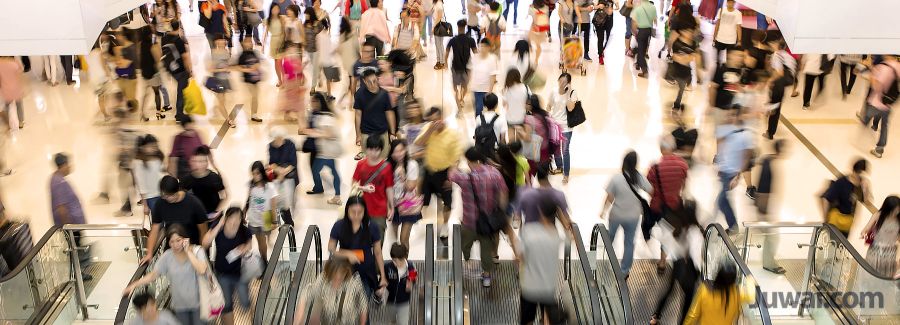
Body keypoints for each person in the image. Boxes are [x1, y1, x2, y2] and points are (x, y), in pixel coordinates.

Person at [450, 148, 510, 287]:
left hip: (469, 222)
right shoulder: (494, 173)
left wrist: (455, 163)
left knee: (464, 244)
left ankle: (466, 263)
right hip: (488, 222)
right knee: (486, 249)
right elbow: (503, 193)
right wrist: (500, 211)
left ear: (472, 161)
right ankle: (487, 277)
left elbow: (451, 175)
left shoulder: (465, 177)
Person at [124, 225, 209, 325]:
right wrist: (134, 284)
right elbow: (153, 275)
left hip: (199, 304)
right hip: (179, 305)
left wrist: (188, 252)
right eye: (172, 242)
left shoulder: (197, 251)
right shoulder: (167, 256)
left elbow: (202, 269)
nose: (175, 245)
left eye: (178, 240)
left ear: (185, 239)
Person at [648, 199, 702, 325]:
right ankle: (682, 323)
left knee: (669, 290)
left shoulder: (676, 224)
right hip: (690, 270)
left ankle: (655, 317)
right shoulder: (695, 231)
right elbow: (696, 256)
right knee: (687, 300)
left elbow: (657, 232)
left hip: (678, 265)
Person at [600, 151, 652, 278]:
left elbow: (610, 197)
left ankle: (604, 262)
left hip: (616, 215)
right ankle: (624, 271)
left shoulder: (617, 178)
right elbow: (651, 190)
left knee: (609, 238)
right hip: (633, 216)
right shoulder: (639, 178)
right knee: (629, 243)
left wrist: (603, 211)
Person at [415, 107, 463, 240]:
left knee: (447, 201)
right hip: (429, 170)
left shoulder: (452, 134)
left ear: (442, 117)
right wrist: (430, 130)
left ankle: (445, 225)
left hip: (444, 173)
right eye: (432, 120)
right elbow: (418, 143)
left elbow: (456, 158)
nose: (435, 122)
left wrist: (451, 177)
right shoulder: (428, 129)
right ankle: (416, 219)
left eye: (437, 119)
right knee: (421, 198)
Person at [201, 207, 254, 324]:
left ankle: (254, 321)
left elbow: (249, 245)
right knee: (226, 304)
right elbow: (205, 243)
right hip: (222, 273)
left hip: (240, 273)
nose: (234, 222)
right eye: (231, 218)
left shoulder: (244, 231)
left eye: (238, 219)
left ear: (242, 219)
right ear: (226, 218)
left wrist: (243, 249)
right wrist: (219, 225)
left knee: (245, 302)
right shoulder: (218, 228)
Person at [518, 196, 566, 324]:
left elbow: (520, 257)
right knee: (548, 315)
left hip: (529, 286)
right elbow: (570, 236)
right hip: (547, 286)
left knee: (527, 319)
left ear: (540, 211)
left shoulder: (528, 232)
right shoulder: (556, 237)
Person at [141, 176, 210, 264]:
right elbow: (155, 229)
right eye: (164, 196)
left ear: (177, 191)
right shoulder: (160, 203)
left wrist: (201, 253)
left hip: (191, 249)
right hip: (173, 249)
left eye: (169, 196)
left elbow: (203, 230)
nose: (166, 198)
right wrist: (149, 253)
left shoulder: (194, 203)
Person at [328, 197, 388, 296]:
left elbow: (377, 252)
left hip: (366, 269)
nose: (356, 216)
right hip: (345, 267)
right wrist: (348, 254)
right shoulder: (339, 226)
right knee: (346, 296)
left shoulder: (372, 226)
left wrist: (383, 276)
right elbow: (331, 248)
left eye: (360, 212)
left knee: (365, 296)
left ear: (365, 211)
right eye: (353, 212)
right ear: (347, 210)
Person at [294, 257, 369, 324]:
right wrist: (298, 319)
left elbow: (363, 306)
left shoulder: (354, 283)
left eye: (340, 277)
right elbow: (307, 293)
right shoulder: (324, 279)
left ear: (346, 272)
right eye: (334, 277)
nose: (337, 281)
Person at [715, 110, 753, 233]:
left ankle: (733, 226)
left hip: (732, 174)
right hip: (725, 171)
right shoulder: (726, 131)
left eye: (732, 115)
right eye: (728, 115)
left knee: (721, 201)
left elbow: (747, 156)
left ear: (738, 117)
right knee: (721, 200)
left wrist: (738, 176)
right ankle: (731, 224)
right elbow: (723, 150)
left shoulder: (745, 135)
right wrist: (720, 167)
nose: (729, 117)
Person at [352, 136, 395, 243]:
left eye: (377, 150)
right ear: (366, 149)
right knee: (361, 238)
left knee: (378, 238)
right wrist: (363, 188)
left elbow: (389, 188)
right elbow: (353, 185)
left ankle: (376, 259)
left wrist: (391, 206)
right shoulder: (361, 165)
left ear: (381, 150)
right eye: (371, 149)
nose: (374, 153)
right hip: (361, 208)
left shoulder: (386, 167)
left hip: (380, 208)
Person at [755, 140, 788, 274]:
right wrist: (764, 210)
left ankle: (768, 261)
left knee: (768, 235)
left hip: (763, 205)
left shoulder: (767, 159)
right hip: (764, 206)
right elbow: (764, 187)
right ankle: (769, 263)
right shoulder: (773, 163)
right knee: (773, 236)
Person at [683, 264, 756, 324]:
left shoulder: (705, 289)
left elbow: (693, 315)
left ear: (718, 275)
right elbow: (751, 297)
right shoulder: (737, 293)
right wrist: (750, 280)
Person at [304, 93, 343, 205]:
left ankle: (334, 194)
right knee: (333, 172)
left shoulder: (325, 116)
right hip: (325, 151)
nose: (312, 104)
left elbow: (329, 134)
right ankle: (336, 195)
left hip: (326, 152)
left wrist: (313, 133)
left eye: (314, 101)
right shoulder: (322, 114)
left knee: (316, 170)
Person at [858, 54, 900, 158]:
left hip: (877, 102)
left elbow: (876, 86)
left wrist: (872, 74)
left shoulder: (884, 67)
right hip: (889, 103)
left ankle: (862, 139)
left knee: (866, 118)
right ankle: (880, 149)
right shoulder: (898, 66)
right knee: (885, 125)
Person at [821, 159, 872, 237]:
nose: (859, 177)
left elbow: (867, 202)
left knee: (842, 242)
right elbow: (826, 199)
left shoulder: (862, 185)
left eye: (862, 174)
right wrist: (825, 220)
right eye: (858, 173)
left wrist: (866, 190)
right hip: (836, 219)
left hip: (848, 221)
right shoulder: (842, 182)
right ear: (854, 170)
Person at [354, 69, 395, 160]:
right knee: (369, 160)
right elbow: (357, 115)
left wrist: (392, 133)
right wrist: (358, 135)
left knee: (384, 158)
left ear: (377, 79)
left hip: (382, 131)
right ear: (364, 81)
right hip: (366, 133)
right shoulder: (360, 94)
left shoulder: (384, 94)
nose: (372, 84)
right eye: (369, 82)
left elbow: (389, 113)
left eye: (374, 81)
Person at [388, 140, 422, 249]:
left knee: (404, 239)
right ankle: (397, 260)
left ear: (405, 150)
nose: (399, 154)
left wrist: (403, 176)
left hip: (408, 203)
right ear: (391, 153)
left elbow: (411, 187)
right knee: (394, 239)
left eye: (401, 150)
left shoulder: (412, 165)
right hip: (394, 204)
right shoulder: (388, 165)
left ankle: (404, 263)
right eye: (395, 151)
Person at [181, 146, 228, 218]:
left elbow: (224, 196)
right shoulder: (186, 179)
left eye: (202, 161)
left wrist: (216, 212)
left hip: (213, 216)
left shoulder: (214, 177)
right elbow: (181, 197)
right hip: (195, 217)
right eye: (195, 161)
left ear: (207, 162)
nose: (198, 164)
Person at [763, 37, 796, 139]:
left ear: (777, 45)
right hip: (788, 81)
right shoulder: (788, 56)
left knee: (775, 106)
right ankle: (770, 109)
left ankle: (770, 132)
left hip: (780, 81)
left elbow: (779, 73)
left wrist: (770, 80)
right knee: (776, 104)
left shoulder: (776, 55)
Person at [547, 73, 578, 182]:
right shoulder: (553, 91)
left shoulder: (573, 93)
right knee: (555, 148)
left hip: (566, 127)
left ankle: (566, 174)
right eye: (560, 81)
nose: (561, 83)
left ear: (569, 83)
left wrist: (568, 92)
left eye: (564, 82)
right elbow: (549, 106)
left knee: (565, 150)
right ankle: (559, 166)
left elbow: (570, 108)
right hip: (554, 126)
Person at [247, 161, 280, 260]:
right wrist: (245, 213)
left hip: (266, 217)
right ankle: (264, 260)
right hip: (254, 218)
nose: (255, 176)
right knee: (260, 241)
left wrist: (274, 221)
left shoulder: (270, 187)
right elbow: (249, 200)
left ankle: (264, 259)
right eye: (253, 174)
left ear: (262, 172)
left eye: (257, 173)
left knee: (264, 238)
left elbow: (273, 207)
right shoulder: (251, 185)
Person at [160, 21, 192, 120]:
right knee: (181, 91)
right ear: (179, 27)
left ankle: (182, 109)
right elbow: (185, 57)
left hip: (170, 69)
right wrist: (190, 70)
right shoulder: (179, 40)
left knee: (181, 89)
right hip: (181, 70)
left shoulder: (164, 38)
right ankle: (179, 114)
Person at [444, 19, 478, 115]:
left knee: (455, 88)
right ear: (465, 27)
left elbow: (446, 52)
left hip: (455, 66)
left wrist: (445, 63)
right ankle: (462, 98)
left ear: (458, 27)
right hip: (467, 68)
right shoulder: (470, 40)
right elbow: (476, 53)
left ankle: (459, 103)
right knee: (465, 86)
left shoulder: (453, 40)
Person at [861, 196, 899, 278]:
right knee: (872, 275)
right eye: (895, 209)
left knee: (886, 276)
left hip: (890, 253)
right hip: (876, 251)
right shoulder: (878, 215)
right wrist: (864, 233)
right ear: (888, 208)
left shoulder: (898, 219)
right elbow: (866, 228)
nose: (897, 212)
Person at [132, 135, 166, 220]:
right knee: (158, 222)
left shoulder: (158, 158)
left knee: (165, 220)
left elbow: (161, 175)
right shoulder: (138, 162)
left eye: (155, 146)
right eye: (151, 146)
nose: (154, 148)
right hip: (151, 197)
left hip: (163, 194)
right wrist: (145, 205)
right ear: (143, 147)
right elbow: (141, 184)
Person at [669, 28, 702, 113]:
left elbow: (695, 57)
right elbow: (676, 58)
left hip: (687, 71)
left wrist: (687, 58)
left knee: (686, 88)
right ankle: (676, 106)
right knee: (682, 88)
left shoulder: (693, 44)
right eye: (687, 31)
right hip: (677, 70)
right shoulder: (677, 43)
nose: (690, 34)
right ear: (682, 32)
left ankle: (679, 104)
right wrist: (688, 58)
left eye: (691, 32)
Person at [50, 153, 86, 230]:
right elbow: (61, 208)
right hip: (72, 228)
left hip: (74, 227)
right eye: (68, 164)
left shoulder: (57, 179)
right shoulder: (59, 182)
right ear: (64, 165)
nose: (70, 167)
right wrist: (68, 228)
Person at [168, 116, 209, 181]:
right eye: (187, 129)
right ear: (183, 127)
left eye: (191, 128)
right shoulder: (178, 138)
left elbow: (205, 152)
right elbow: (173, 160)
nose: (190, 133)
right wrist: (174, 179)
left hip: (197, 171)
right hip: (185, 172)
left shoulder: (198, 134)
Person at [383, 243, 416, 324]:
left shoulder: (411, 267)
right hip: (390, 302)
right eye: (394, 260)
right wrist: (382, 287)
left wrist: (411, 284)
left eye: (398, 261)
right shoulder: (388, 267)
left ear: (404, 257)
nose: (396, 263)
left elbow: (413, 279)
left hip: (404, 302)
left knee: (403, 322)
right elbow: (383, 280)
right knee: (391, 320)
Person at [208, 36, 235, 127]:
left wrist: (228, 68)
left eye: (223, 40)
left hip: (225, 80)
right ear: (216, 42)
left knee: (222, 100)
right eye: (220, 40)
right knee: (221, 102)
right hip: (219, 80)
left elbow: (228, 66)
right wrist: (222, 70)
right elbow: (211, 69)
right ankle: (229, 120)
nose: (222, 41)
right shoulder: (214, 53)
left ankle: (215, 109)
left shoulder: (226, 52)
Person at [236, 37, 263, 122]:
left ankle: (254, 114)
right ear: (243, 44)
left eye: (250, 42)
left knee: (256, 97)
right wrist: (248, 69)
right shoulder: (242, 56)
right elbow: (239, 67)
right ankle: (253, 115)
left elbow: (258, 63)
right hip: (248, 79)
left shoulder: (254, 53)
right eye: (247, 42)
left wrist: (256, 66)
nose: (249, 43)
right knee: (254, 96)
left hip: (256, 78)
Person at [470, 39, 500, 117]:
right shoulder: (475, 57)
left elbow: (493, 76)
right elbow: (471, 72)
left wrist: (490, 91)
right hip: (475, 89)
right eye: (481, 46)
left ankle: (482, 126)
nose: (482, 48)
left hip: (485, 90)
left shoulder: (492, 59)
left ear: (489, 48)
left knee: (480, 110)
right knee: (477, 110)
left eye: (485, 46)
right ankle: (478, 126)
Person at [474, 93, 508, 159]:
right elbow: (503, 139)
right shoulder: (501, 119)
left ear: (484, 105)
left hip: (481, 150)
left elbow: (476, 136)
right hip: (494, 150)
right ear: (496, 105)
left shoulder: (478, 118)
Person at [630, 0, 656, 78]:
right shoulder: (653, 7)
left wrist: (634, 32)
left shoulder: (638, 8)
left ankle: (645, 71)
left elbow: (633, 23)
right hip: (649, 30)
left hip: (641, 31)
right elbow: (654, 20)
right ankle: (638, 62)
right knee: (643, 49)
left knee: (641, 52)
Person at [712, 0, 741, 67]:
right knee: (717, 57)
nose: (730, 4)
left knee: (729, 57)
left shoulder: (738, 13)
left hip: (731, 39)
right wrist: (714, 36)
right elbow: (717, 24)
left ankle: (727, 69)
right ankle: (718, 69)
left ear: (734, 3)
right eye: (729, 2)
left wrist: (739, 40)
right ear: (727, 2)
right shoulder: (721, 10)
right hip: (720, 38)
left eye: (732, 2)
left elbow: (739, 27)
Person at [0, 56, 25, 129]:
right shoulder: (14, 63)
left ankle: (9, 122)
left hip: (5, 90)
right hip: (16, 89)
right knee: (19, 105)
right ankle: (20, 122)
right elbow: (20, 72)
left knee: (7, 106)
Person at [265, 4, 286, 87]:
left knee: (280, 62)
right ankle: (279, 79)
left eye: (277, 9)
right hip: (273, 42)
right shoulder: (268, 20)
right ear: (271, 10)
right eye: (274, 9)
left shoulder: (282, 18)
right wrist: (263, 45)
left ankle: (284, 80)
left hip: (281, 41)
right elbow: (265, 32)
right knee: (277, 62)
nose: (276, 10)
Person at [503, 69, 528, 138]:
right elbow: (528, 102)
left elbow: (504, 105)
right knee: (519, 141)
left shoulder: (506, 89)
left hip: (510, 118)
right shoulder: (524, 87)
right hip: (521, 117)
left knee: (511, 139)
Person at [432, 0, 448, 69]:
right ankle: (439, 61)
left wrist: (433, 27)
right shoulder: (437, 3)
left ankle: (442, 62)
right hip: (437, 25)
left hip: (439, 26)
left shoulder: (439, 3)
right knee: (437, 44)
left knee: (439, 45)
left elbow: (439, 16)